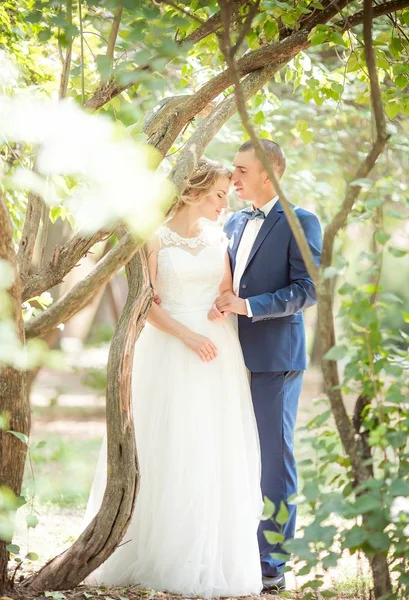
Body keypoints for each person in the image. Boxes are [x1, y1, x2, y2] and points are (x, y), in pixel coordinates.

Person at [84, 158, 263, 598]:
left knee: (209, 447)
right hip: (168, 347)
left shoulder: (218, 238)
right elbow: (144, 302)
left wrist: (223, 305)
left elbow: (225, 290)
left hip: (215, 353)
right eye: (219, 194)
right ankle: (153, 547)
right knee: (166, 442)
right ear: (194, 192)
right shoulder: (153, 238)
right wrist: (186, 335)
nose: (226, 202)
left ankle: (203, 552)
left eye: (226, 194)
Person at [213, 140, 322, 592]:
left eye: (241, 170)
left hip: (275, 357)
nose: (233, 178)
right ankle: (235, 550)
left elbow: (308, 288)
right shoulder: (235, 220)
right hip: (226, 355)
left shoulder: (302, 221)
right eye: (233, 170)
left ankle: (272, 564)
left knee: (274, 460)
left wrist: (247, 305)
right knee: (234, 454)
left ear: (270, 173)